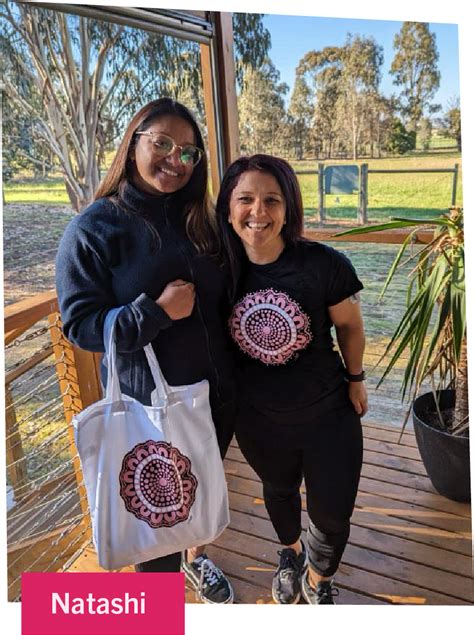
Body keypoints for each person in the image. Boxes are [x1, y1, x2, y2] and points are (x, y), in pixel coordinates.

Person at [56, 98, 236, 604]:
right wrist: (152, 313)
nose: (175, 161)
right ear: (133, 142)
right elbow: (81, 324)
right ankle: (155, 608)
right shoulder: (93, 229)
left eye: (188, 152)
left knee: (197, 505)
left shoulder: (202, 219)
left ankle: (197, 562)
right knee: (155, 531)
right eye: (161, 144)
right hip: (149, 413)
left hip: (214, 401)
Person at [216, 154, 368, 605]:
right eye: (245, 199)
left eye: (271, 200)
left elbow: (351, 326)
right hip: (259, 419)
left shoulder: (323, 264)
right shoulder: (217, 272)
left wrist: (356, 378)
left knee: (332, 513)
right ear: (227, 206)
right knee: (279, 492)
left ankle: (320, 581)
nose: (258, 212)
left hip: (328, 414)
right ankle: (291, 554)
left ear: (288, 209)